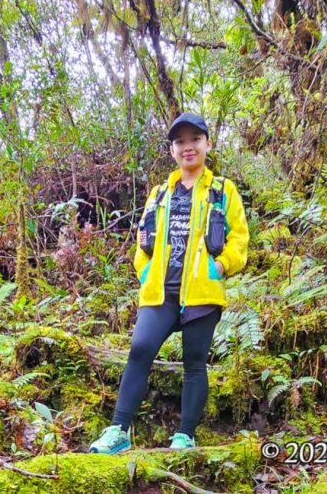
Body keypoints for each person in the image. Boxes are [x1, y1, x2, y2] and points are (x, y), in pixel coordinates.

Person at [87, 112, 250, 453]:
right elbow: (142, 241)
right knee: (140, 350)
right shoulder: (159, 194)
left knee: (194, 360)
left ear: (207, 143)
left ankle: (185, 435)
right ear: (172, 150)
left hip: (202, 288)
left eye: (194, 139)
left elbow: (239, 239)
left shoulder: (223, 191)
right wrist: (144, 271)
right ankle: (119, 430)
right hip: (160, 290)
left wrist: (221, 267)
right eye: (180, 141)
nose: (187, 147)